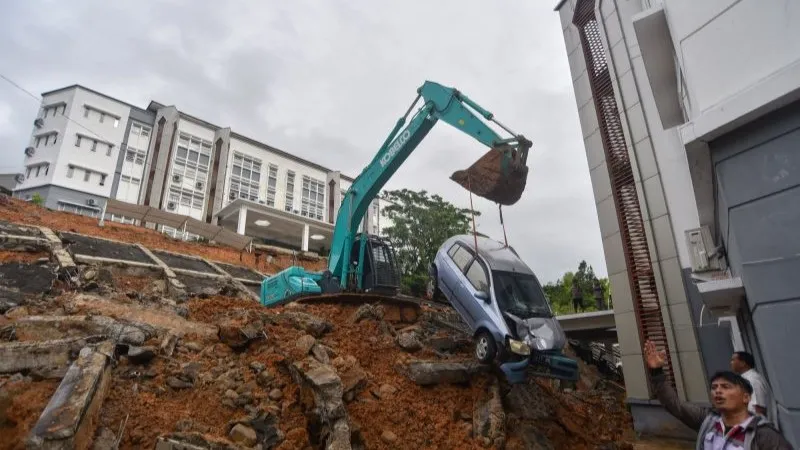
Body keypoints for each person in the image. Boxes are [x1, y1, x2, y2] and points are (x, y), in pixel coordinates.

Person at [644, 340, 791, 449]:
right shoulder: (708, 422)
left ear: (746, 397)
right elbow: (675, 406)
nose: (718, 391)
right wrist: (657, 373)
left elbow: (759, 410)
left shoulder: (765, 437)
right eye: (714, 387)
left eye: (726, 387)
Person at [731, 351, 773, 419]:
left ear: (742, 363)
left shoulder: (752, 379)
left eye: (733, 360)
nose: (731, 363)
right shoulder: (745, 378)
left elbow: (759, 408)